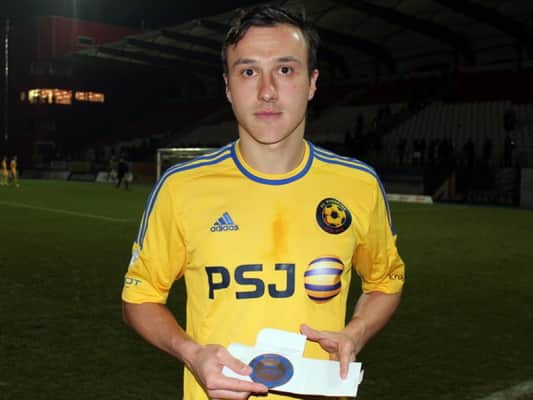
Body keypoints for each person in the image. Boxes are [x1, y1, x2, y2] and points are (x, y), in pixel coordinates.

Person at [121, 5, 405, 400]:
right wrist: (191, 353)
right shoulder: (181, 188)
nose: (267, 91)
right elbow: (140, 298)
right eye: (248, 72)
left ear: (312, 82)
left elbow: (385, 281)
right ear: (227, 86)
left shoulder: (359, 185)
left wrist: (355, 333)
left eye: (285, 70)